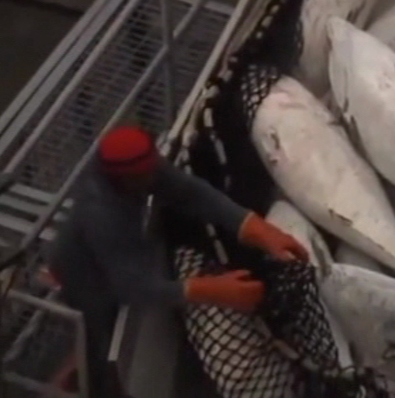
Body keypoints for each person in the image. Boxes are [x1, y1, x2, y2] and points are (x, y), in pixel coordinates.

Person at [45, 126, 308, 397]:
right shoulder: (101, 213)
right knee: (100, 333)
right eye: (144, 175)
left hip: (117, 250)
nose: (153, 177)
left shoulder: (141, 171)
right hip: (83, 273)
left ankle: (81, 370)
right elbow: (135, 289)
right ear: (122, 178)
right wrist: (211, 290)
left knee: (108, 329)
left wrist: (255, 227)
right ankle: (94, 385)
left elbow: (192, 193)